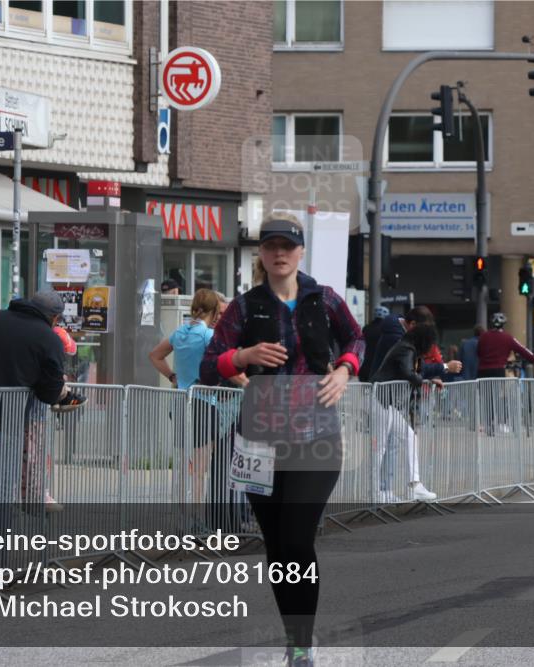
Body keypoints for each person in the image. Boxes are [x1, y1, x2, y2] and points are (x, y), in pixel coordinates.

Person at [200, 212, 364, 667]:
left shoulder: (324, 299)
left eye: (287, 246)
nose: (279, 253)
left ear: (300, 251)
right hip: (258, 442)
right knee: (276, 547)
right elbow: (210, 364)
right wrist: (243, 355)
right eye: (271, 246)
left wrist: (347, 368)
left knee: (295, 540)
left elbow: (356, 337)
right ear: (261, 253)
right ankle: (296, 641)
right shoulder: (244, 307)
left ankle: (303, 643)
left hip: (317, 438)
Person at [0, 290, 83, 510]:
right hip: (7, 419)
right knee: (1, 486)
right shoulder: (48, 338)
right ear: (55, 318)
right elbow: (49, 393)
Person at [149, 288, 221, 526]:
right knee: (199, 469)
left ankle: (181, 520)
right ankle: (197, 521)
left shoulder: (179, 333)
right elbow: (223, 366)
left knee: (182, 464)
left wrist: (172, 376)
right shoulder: (209, 336)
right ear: (215, 310)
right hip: (204, 402)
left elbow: (155, 355)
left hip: (179, 402)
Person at [370, 323, 441, 502]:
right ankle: (376, 492)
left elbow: (410, 372)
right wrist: (423, 380)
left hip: (386, 402)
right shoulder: (406, 349)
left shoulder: (406, 347)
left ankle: (414, 485)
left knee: (409, 438)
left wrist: (424, 379)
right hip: (383, 401)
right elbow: (407, 373)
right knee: (381, 448)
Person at [476, 313, 534, 377]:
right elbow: (523, 350)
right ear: (503, 324)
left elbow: (478, 352)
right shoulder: (508, 337)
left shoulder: (483, 336)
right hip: (498, 371)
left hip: (482, 371)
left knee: (483, 388)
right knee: (497, 388)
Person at [359, 305, 390, 382]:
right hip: (381, 366)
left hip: (366, 366)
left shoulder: (366, 328)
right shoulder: (387, 329)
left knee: (365, 390)